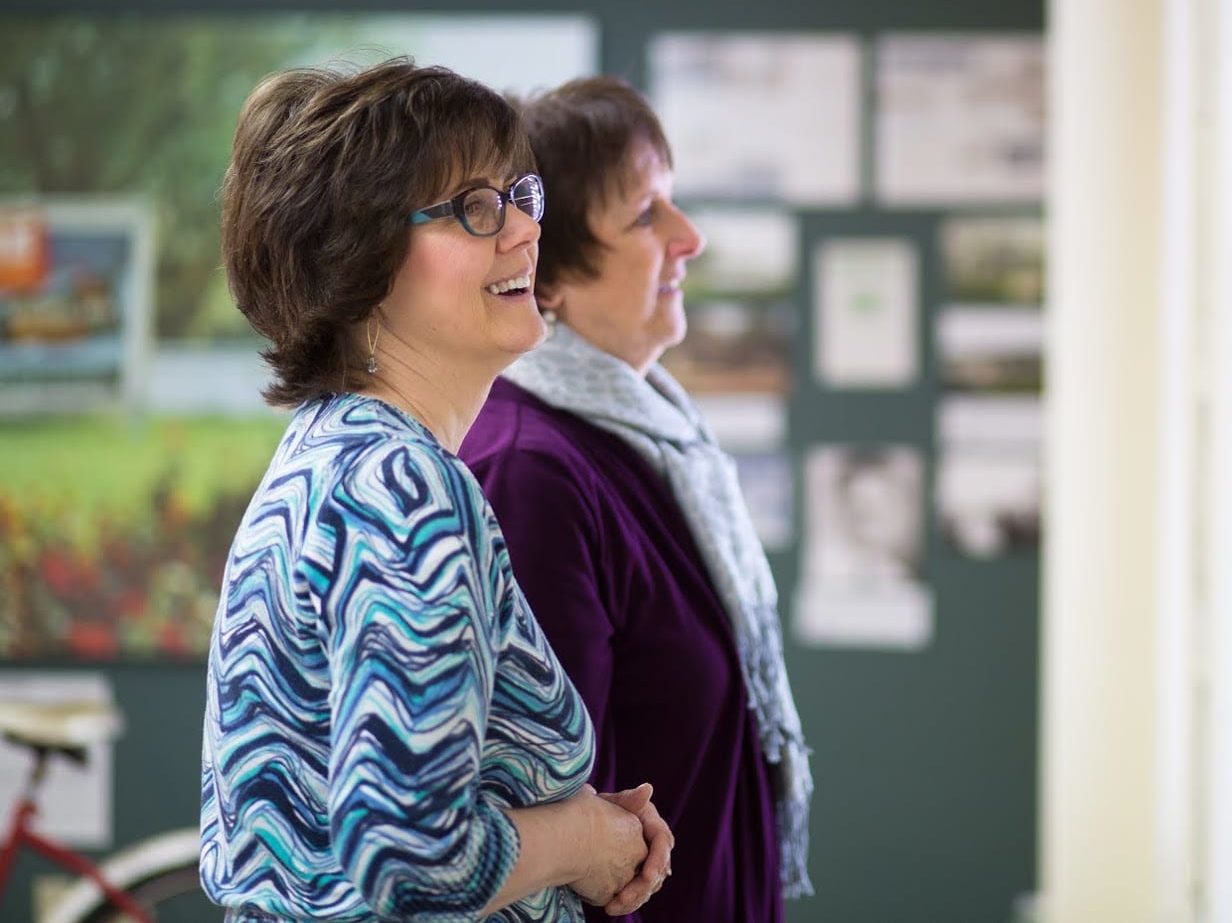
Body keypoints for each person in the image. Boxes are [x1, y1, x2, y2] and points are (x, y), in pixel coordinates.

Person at [201, 59, 673, 922]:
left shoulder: (336, 452)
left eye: (519, 193)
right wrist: (583, 838)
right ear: (361, 261)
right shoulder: (403, 488)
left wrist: (593, 825)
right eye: (475, 209)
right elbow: (410, 855)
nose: (526, 231)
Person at [459, 76, 812, 922]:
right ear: (549, 274)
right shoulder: (532, 472)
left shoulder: (664, 443)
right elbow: (551, 806)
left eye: (673, 204)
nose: (688, 239)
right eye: (647, 215)